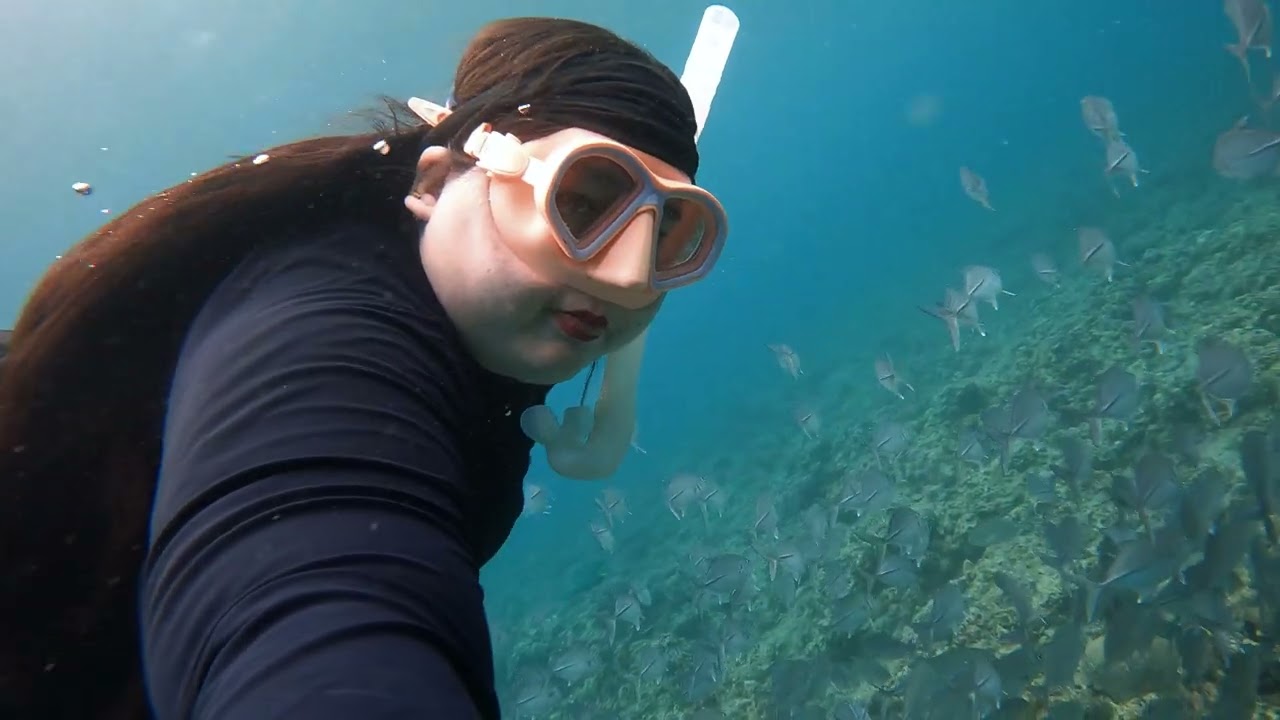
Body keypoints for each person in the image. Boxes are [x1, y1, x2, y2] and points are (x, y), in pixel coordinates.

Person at [0, 15, 729, 720]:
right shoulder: (315, 337)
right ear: (436, 184)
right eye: (581, 201)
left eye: (669, 233)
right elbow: (308, 589)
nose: (631, 276)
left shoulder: (491, 309)